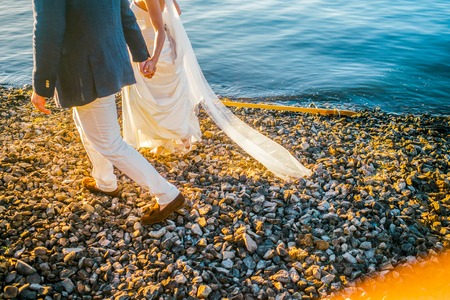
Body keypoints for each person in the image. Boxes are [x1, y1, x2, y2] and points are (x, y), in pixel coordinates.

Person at [30, 0, 184, 225]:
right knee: (87, 125)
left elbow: (47, 31)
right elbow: (125, 14)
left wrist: (42, 85)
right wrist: (140, 54)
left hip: (85, 69)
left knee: (109, 141)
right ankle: (104, 181)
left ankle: (167, 194)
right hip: (109, 59)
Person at [122, 0, 312, 181]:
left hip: (153, 52)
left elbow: (159, 32)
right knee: (164, 97)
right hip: (163, 50)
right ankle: (174, 139)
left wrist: (153, 60)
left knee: (158, 99)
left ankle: (175, 137)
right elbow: (177, 12)